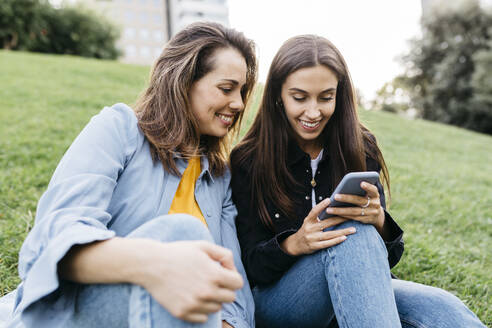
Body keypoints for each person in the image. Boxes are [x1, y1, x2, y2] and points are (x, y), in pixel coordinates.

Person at [5, 22, 257, 328]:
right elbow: (53, 239)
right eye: (226, 88)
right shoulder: (119, 129)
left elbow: (232, 284)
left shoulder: (219, 176)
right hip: (82, 312)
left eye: (242, 91)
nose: (240, 103)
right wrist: (157, 264)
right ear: (183, 80)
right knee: (183, 235)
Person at [230, 35, 486, 328]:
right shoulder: (249, 160)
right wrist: (295, 244)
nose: (313, 112)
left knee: (442, 307)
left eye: (326, 97)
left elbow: (383, 261)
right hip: (282, 301)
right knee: (350, 234)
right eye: (299, 97)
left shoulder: (360, 147)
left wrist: (379, 221)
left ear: (339, 95)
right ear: (278, 95)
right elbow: (249, 265)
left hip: (356, 284)